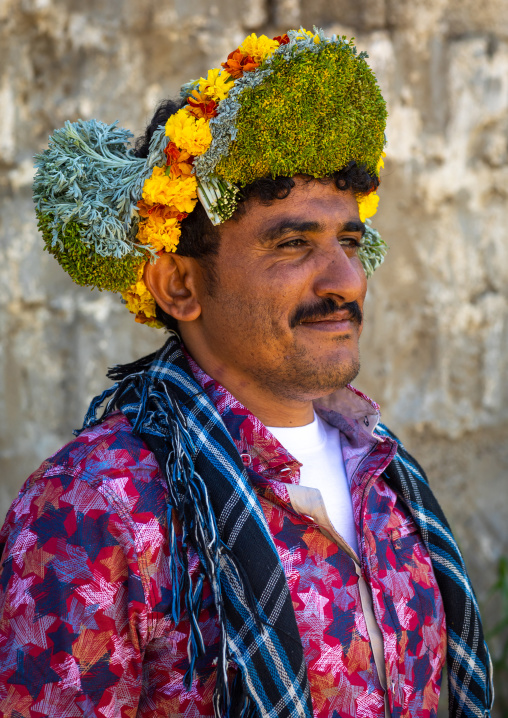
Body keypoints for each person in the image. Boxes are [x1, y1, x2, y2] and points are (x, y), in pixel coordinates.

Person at [0, 28, 493, 718]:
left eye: (348, 241)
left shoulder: (386, 476)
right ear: (178, 285)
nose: (346, 280)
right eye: (293, 244)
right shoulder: (94, 507)